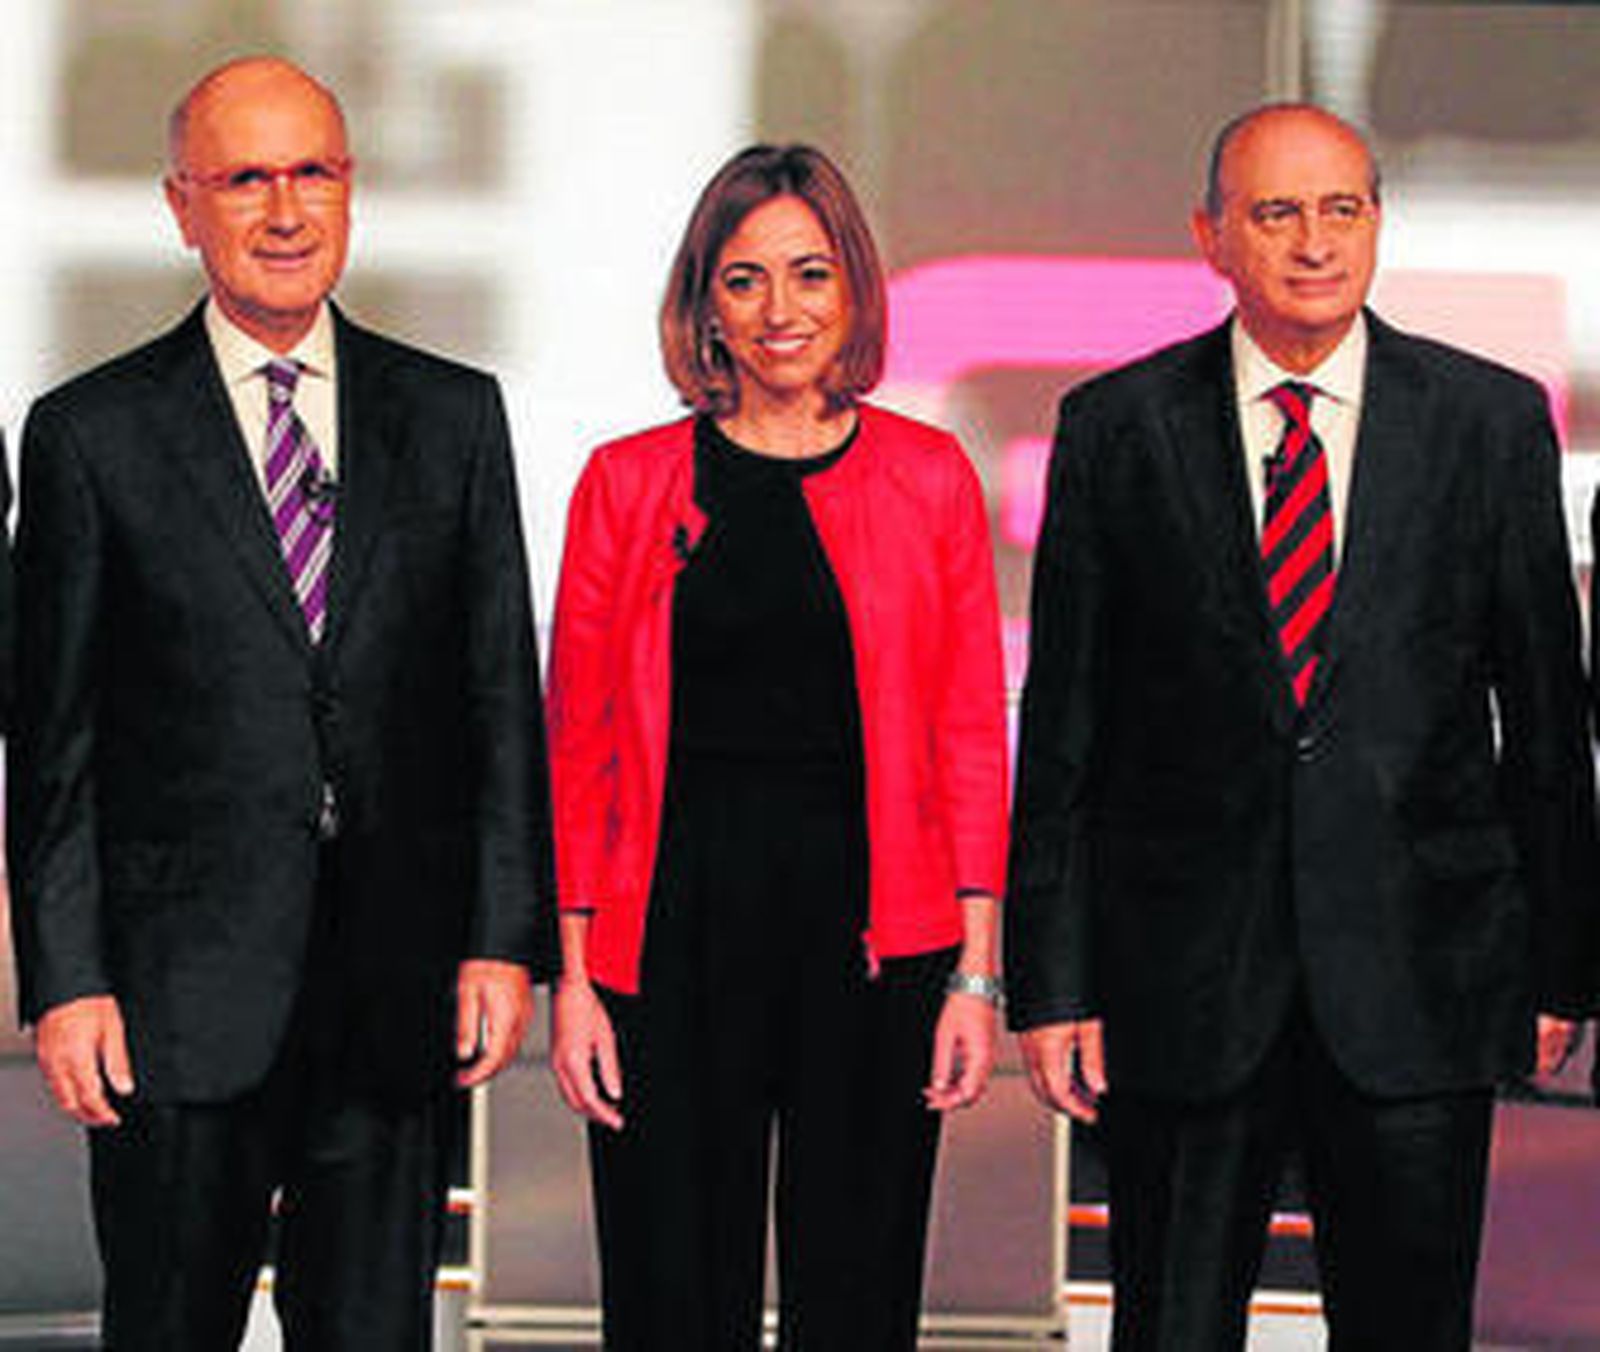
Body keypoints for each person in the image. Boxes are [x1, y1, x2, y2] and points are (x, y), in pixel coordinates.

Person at [1005, 102, 1599, 1351]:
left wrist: (1557, 962)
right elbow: (1064, 732)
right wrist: (1052, 982)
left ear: (1377, 222)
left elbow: (1546, 721)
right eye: (1275, 212)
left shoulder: (1486, 423)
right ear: (1211, 238)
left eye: (1342, 209)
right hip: (1180, 993)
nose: (1313, 243)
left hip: (1416, 986)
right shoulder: (1115, 430)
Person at [6, 56, 556, 1351]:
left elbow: (496, 703)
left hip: (394, 987)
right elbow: (57, 741)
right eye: (245, 178)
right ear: (181, 206)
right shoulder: (91, 434)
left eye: (313, 172)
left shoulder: (454, 419)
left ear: (351, 191)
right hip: (175, 1001)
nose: (286, 209)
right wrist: (67, 980)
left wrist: (499, 937)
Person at [546, 143, 1008, 1350]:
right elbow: (577, 746)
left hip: (874, 951)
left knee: (853, 1301)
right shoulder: (624, 482)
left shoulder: (930, 476)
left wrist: (972, 972)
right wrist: (577, 978)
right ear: (703, 303)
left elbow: (968, 732)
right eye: (742, 280)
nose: (779, 308)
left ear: (852, 286)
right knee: (667, 1301)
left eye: (809, 273)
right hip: (669, 945)